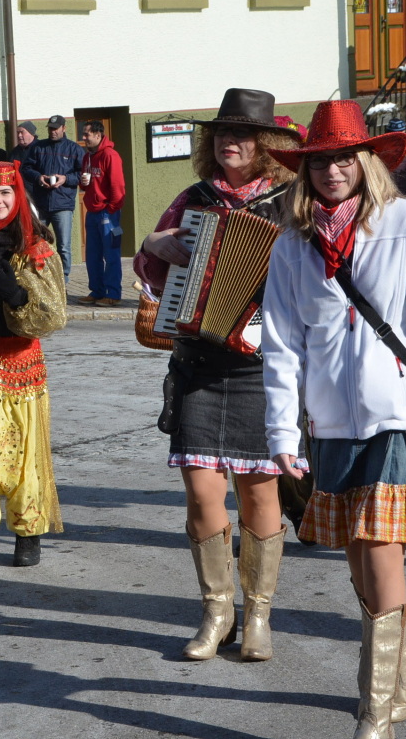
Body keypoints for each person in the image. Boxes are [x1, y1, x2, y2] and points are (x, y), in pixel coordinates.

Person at [263, 99, 406, 739]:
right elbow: (280, 344)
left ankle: (378, 705)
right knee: (359, 557)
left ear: (366, 162)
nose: (332, 171)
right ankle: (404, 666)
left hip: (398, 414)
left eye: (342, 159)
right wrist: (282, 432)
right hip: (332, 424)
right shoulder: (292, 243)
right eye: (319, 162)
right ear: (304, 172)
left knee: (383, 552)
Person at [133, 88, 301, 663]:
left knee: (259, 490)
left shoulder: (290, 200)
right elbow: (149, 258)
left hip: (262, 365)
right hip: (200, 360)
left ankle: (258, 615)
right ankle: (216, 611)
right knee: (203, 491)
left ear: (269, 144)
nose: (232, 142)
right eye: (223, 134)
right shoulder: (193, 199)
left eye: (246, 134)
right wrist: (156, 244)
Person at [0, 161, 64, 577]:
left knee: (25, 460)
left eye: (5, 193)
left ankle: (28, 535)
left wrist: (16, 295)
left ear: (17, 194)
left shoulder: (37, 243)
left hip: (23, 366)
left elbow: (54, 313)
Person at [21, 114, 85, 282]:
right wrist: (38, 177)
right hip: (41, 203)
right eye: (50, 128)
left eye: (55, 128)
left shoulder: (74, 149)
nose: (52, 131)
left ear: (64, 128)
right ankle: (39, 276)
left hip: (63, 204)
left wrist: (65, 179)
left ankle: (63, 279)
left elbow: (83, 174)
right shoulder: (39, 147)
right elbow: (26, 168)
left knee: (64, 246)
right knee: (36, 242)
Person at [77, 120, 126, 307]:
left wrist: (112, 209)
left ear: (98, 135)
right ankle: (97, 291)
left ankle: (113, 294)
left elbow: (118, 186)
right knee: (92, 255)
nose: (84, 138)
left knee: (111, 254)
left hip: (108, 213)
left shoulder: (110, 155)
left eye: (86, 134)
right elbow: (84, 185)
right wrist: (83, 182)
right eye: (83, 134)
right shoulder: (87, 157)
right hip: (92, 212)